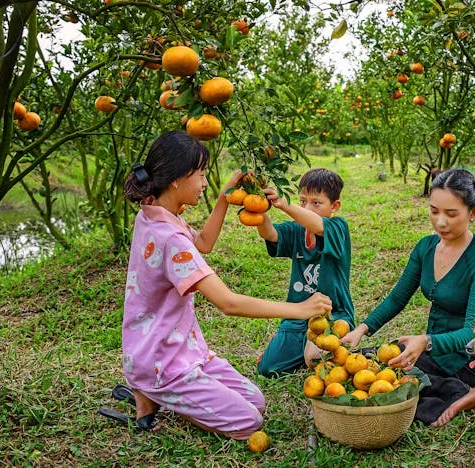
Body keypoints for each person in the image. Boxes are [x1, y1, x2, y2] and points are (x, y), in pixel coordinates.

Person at [121, 131, 332, 438]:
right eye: (202, 175)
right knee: (249, 422)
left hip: (183, 350)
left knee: (256, 402)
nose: (205, 183)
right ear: (178, 178)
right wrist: (300, 309)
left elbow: (204, 243)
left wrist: (224, 196)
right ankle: (155, 391)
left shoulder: (155, 212)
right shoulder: (170, 239)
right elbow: (227, 303)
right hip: (161, 361)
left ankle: (157, 392)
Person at [341, 168, 475, 427]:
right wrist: (362, 328)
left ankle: (463, 393)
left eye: (451, 214)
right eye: (434, 211)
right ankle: (442, 386)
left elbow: (473, 330)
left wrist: (426, 341)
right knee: (370, 367)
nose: (440, 222)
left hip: (465, 358)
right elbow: (397, 297)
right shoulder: (426, 247)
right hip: (428, 348)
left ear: (473, 213)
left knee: (401, 393)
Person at [253, 168, 355, 376]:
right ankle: (302, 347)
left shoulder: (338, 228)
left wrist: (284, 204)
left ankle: (318, 348)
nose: (308, 208)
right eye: (302, 201)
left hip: (332, 316)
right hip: (298, 315)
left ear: (334, 206)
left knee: (319, 361)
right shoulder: (297, 230)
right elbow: (270, 234)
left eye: (316, 203)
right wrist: (259, 207)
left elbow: (318, 225)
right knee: (268, 369)